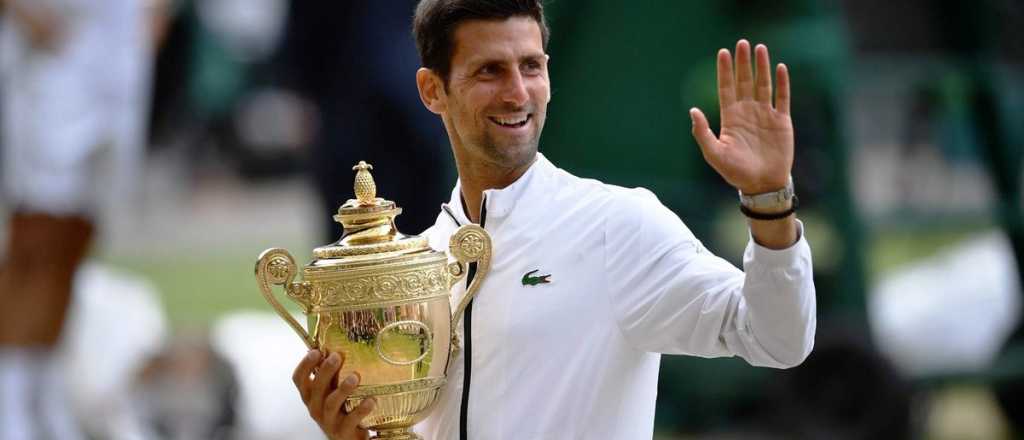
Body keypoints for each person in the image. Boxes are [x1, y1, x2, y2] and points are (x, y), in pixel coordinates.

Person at [291, 0, 815, 438]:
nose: (518, 93)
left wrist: (769, 200)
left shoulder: (618, 226)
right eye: (489, 70)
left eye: (531, 66)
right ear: (433, 91)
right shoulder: (422, 258)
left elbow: (778, 338)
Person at [0, 0, 152, 438]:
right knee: (35, 235)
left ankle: (45, 389)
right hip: (55, 44)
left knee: (77, 235)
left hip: (118, 43)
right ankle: (10, 399)